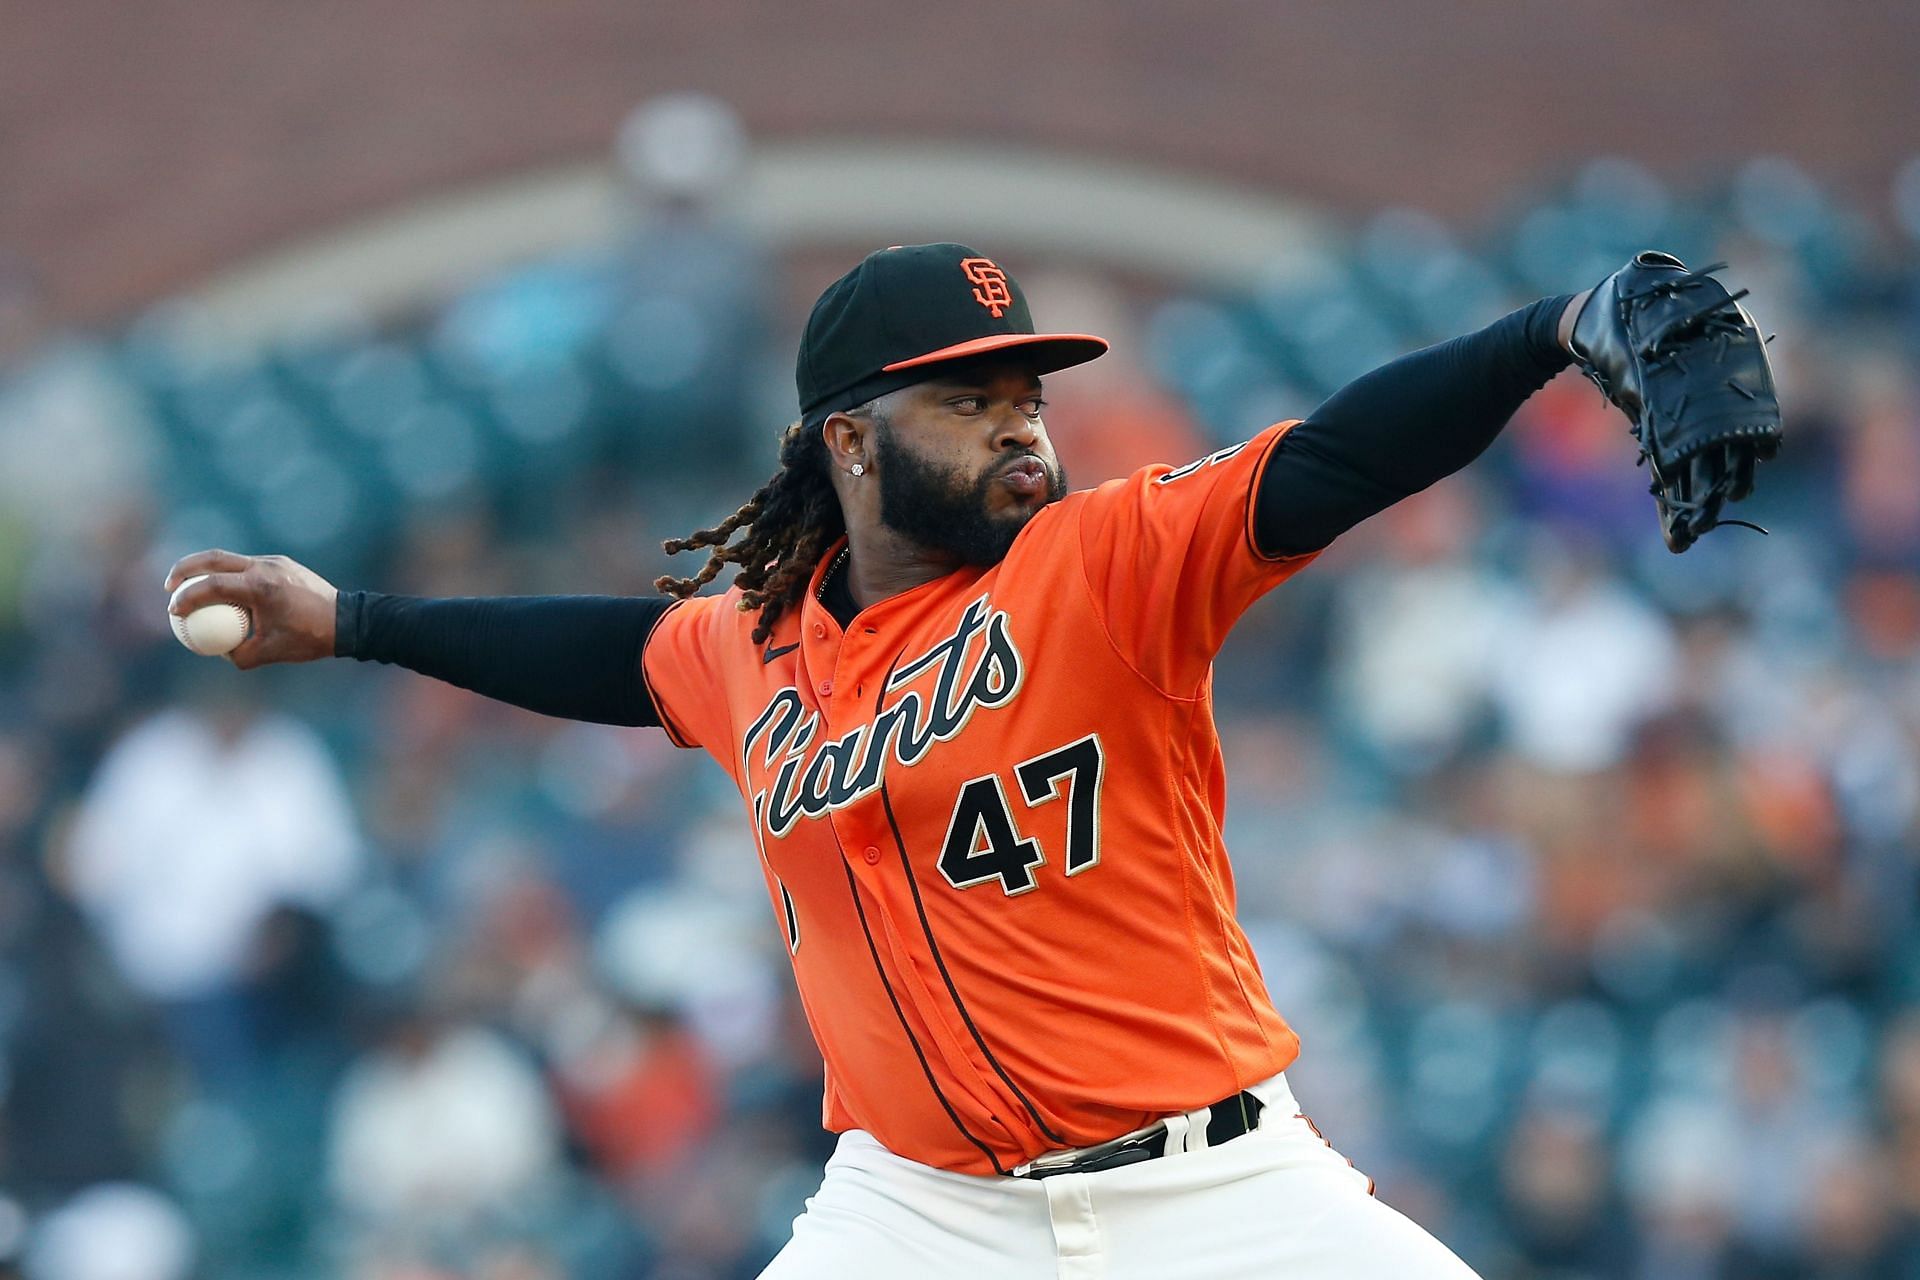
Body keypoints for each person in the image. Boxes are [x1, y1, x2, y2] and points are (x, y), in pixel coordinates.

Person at [167, 242, 1608, 1277]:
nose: (1023, 430)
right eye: (970, 400)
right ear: (848, 439)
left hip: (1217, 1188)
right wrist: (354, 620)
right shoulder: (753, 645)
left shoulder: (1105, 563)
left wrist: (1550, 330)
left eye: (1027, 396)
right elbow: (611, 654)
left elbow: (1337, 461)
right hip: (921, 1216)